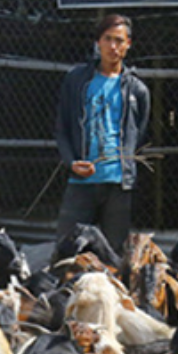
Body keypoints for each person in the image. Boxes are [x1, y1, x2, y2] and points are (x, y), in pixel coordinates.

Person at [55, 13, 151, 252]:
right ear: (98, 42)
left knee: (114, 256)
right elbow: (62, 128)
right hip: (81, 181)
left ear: (128, 44)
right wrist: (71, 162)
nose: (113, 46)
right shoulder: (76, 81)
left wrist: (124, 162)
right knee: (67, 252)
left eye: (119, 40)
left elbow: (139, 133)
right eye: (107, 39)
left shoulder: (137, 90)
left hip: (118, 185)